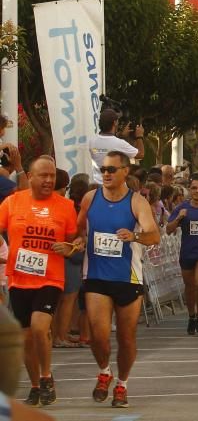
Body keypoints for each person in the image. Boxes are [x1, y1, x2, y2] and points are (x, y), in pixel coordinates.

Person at [76, 151, 161, 407]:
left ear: (125, 171)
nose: (106, 174)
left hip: (128, 279)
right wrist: (78, 242)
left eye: (111, 170)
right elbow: (79, 229)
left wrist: (134, 237)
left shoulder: (137, 202)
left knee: (126, 338)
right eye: (103, 169)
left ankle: (122, 384)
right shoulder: (90, 198)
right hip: (97, 276)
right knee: (98, 334)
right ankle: (104, 371)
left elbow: (153, 236)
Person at [0, 156, 79, 407]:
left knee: (39, 327)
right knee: (25, 338)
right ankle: (35, 385)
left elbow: (77, 240)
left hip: (50, 278)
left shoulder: (65, 206)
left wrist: (70, 247)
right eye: (43, 175)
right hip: (19, 279)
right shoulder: (12, 203)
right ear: (30, 177)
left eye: (52, 176)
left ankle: (46, 377)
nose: (48, 180)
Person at [166, 177, 198, 335]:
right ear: (190, 190)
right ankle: (191, 316)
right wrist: (179, 217)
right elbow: (168, 230)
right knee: (189, 287)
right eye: (194, 188)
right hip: (187, 252)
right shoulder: (182, 207)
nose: (197, 191)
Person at [88, 109, 144, 184]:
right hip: (115, 188)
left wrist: (120, 136)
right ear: (115, 122)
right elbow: (140, 155)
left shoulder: (92, 141)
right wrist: (139, 136)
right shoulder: (119, 144)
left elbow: (107, 147)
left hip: (97, 185)